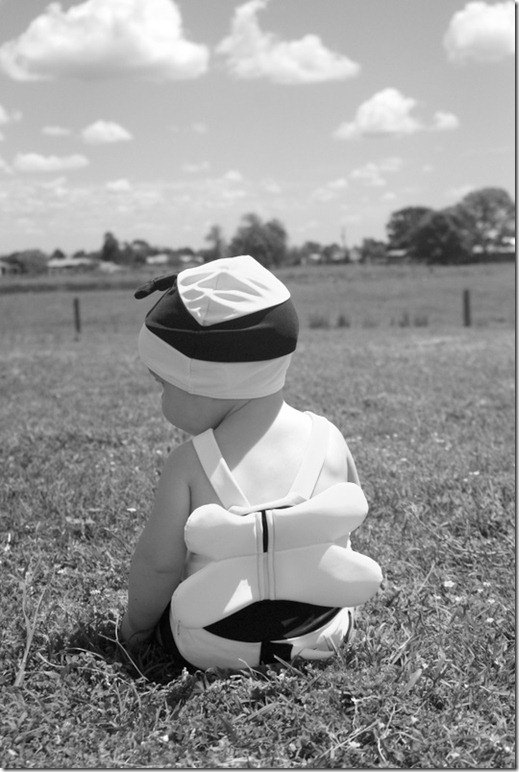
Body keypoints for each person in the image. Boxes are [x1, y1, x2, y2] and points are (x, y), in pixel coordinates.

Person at [120, 255, 381, 669]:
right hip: (324, 634)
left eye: (163, 385)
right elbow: (344, 527)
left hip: (210, 644)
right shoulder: (328, 437)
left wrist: (135, 630)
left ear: (203, 383)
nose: (160, 399)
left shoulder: (188, 464)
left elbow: (158, 566)